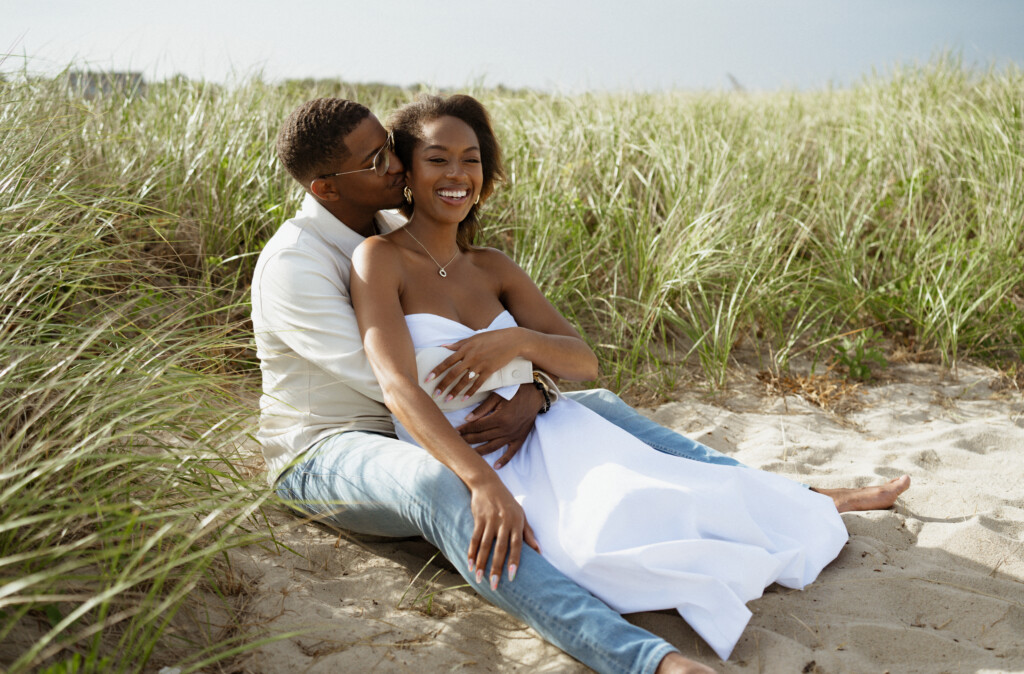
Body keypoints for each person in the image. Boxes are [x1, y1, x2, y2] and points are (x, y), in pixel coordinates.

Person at [253, 97, 909, 674]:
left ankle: (784, 495)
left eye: (392, 152)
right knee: (437, 483)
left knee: (594, 405)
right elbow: (400, 382)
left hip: (432, 424)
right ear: (326, 187)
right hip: (327, 447)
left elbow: (498, 345)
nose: (396, 168)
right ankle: (641, 657)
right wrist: (510, 418)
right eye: (377, 162)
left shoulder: (393, 226)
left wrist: (533, 390)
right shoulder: (298, 263)